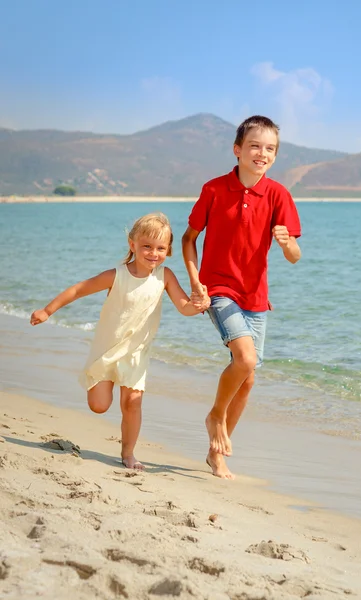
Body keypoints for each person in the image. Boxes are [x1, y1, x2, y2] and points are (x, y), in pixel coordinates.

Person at [30, 212, 209, 470]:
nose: (153, 253)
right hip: (107, 350)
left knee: (132, 404)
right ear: (132, 244)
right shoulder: (116, 275)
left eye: (160, 248)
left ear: (168, 250)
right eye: (147, 246)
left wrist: (201, 303)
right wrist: (47, 310)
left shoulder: (165, 276)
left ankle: (128, 454)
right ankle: (103, 389)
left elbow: (184, 307)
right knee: (99, 406)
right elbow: (79, 289)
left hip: (136, 353)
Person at [182, 115, 302, 479]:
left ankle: (216, 455)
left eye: (269, 148)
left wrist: (287, 244)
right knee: (246, 360)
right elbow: (188, 239)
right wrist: (196, 282)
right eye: (254, 145)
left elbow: (295, 255)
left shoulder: (279, 194)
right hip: (218, 288)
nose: (261, 153)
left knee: (247, 377)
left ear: (275, 156)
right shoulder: (214, 189)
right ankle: (215, 414)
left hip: (256, 296)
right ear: (237, 150)